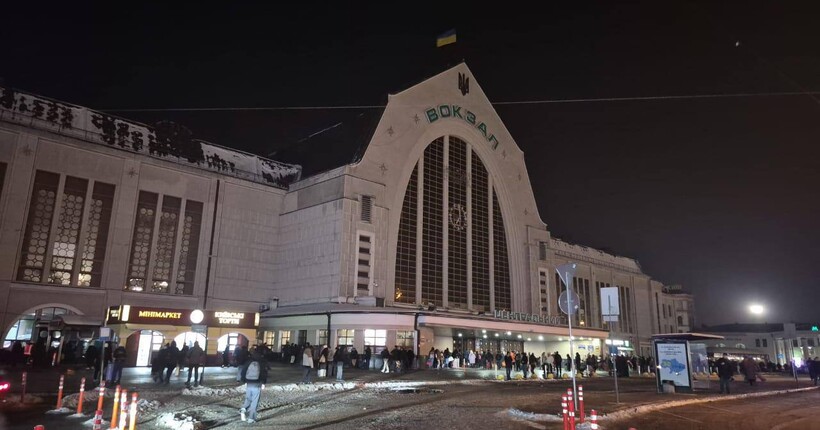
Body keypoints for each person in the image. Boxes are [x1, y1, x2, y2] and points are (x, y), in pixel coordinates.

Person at [239, 348, 268, 424]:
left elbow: (243, 371)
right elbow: (264, 373)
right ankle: (251, 418)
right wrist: (263, 383)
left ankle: (243, 409)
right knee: (255, 401)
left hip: (249, 383)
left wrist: (244, 380)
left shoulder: (248, 361)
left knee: (248, 398)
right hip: (257, 384)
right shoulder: (261, 362)